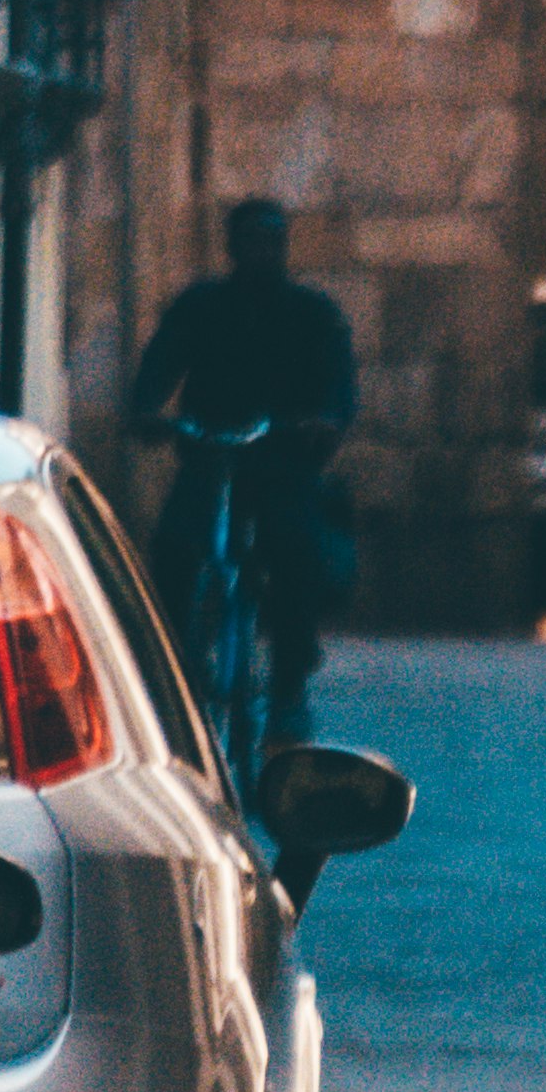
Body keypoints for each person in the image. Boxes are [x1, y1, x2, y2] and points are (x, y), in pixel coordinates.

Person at [129, 199, 359, 735]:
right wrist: (146, 411)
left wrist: (325, 421)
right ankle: (177, 669)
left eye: (270, 241)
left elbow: (339, 384)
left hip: (283, 466)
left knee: (295, 554)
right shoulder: (203, 308)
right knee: (174, 548)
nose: (260, 252)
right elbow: (162, 364)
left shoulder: (311, 314)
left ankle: (288, 687)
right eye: (250, 241)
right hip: (210, 463)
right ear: (233, 248)